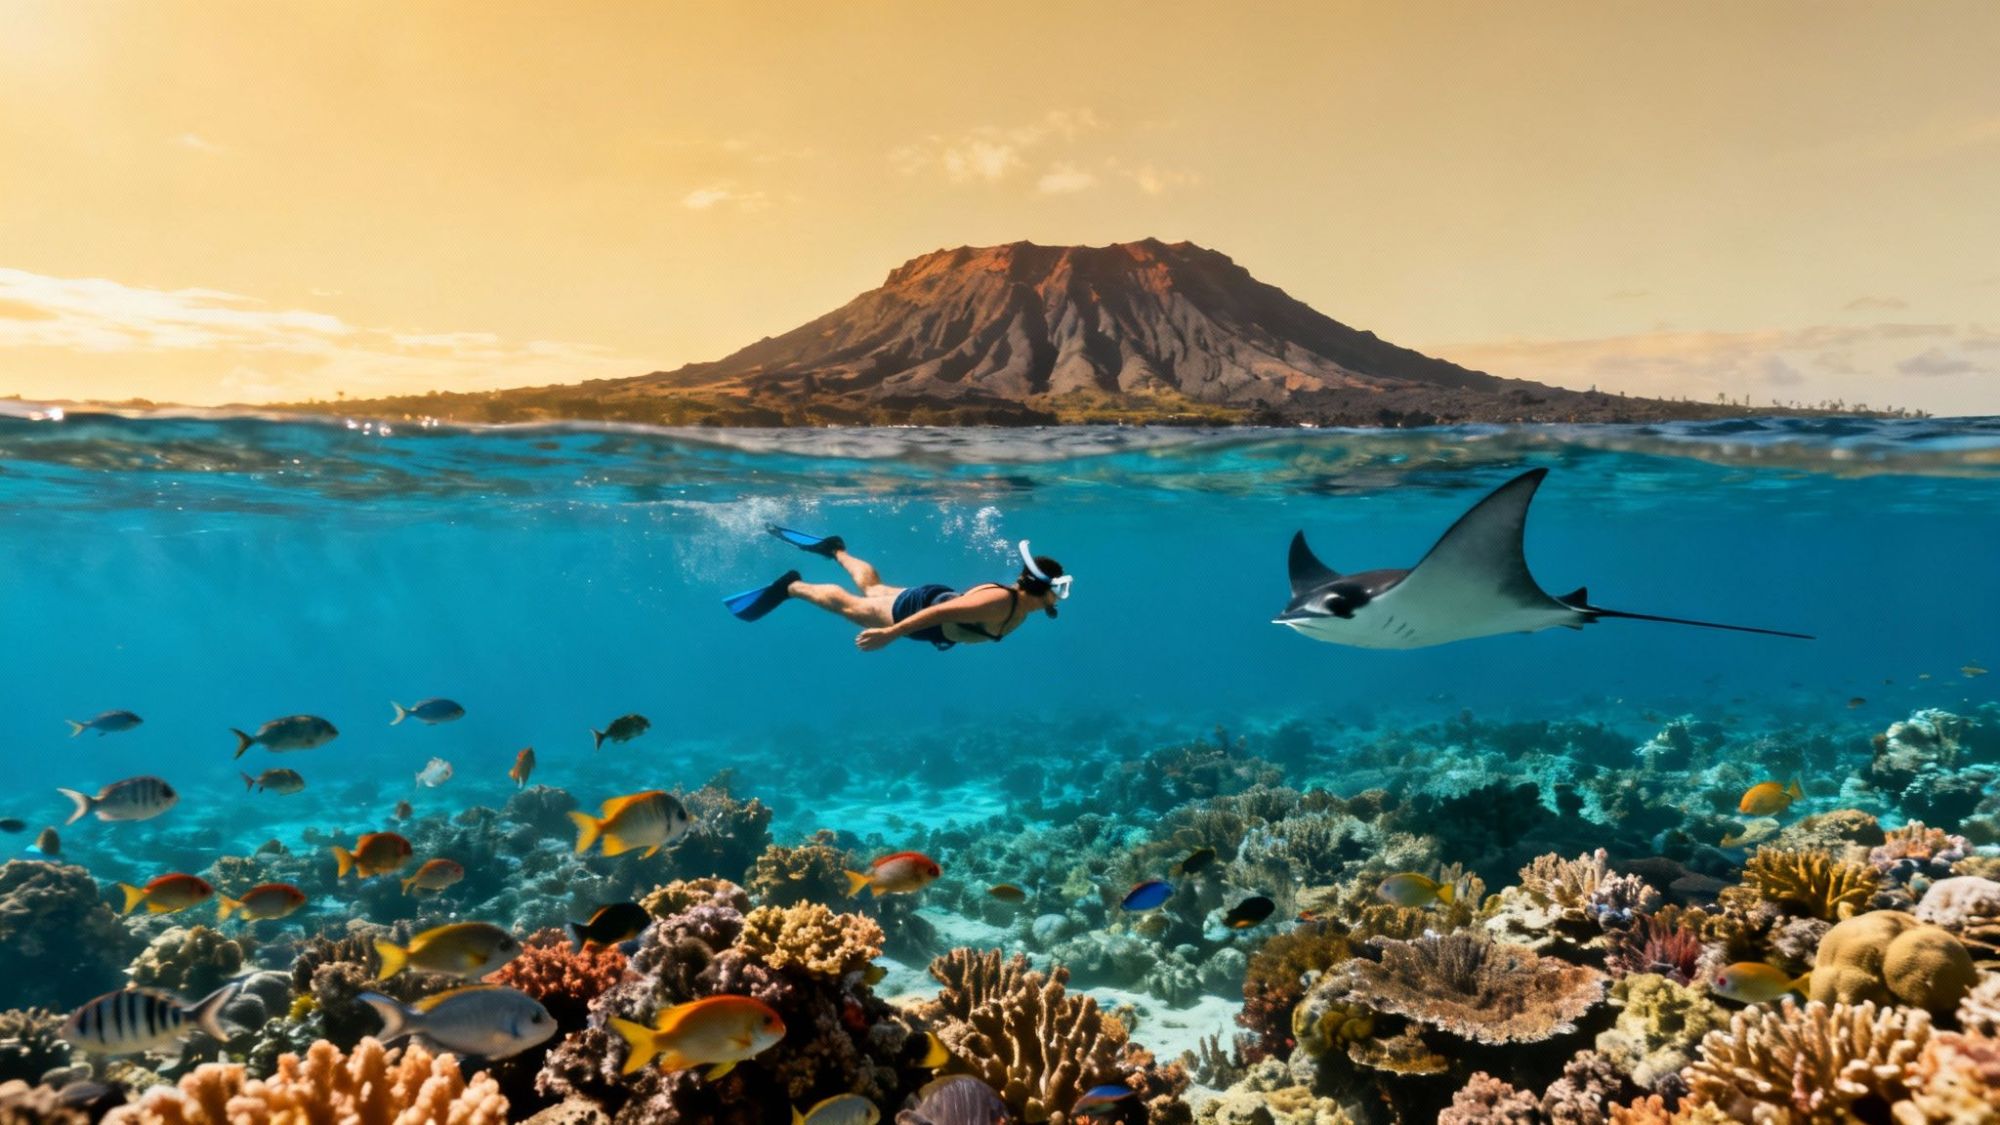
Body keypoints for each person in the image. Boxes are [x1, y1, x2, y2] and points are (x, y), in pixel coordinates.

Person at [724, 527, 1069, 652]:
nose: (1060, 597)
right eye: (1059, 589)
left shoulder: (1021, 608)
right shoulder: (999, 602)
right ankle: (793, 587)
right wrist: (890, 633)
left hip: (932, 603)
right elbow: (939, 613)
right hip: (923, 613)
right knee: (850, 607)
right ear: (1040, 586)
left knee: (873, 589)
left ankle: (835, 550)